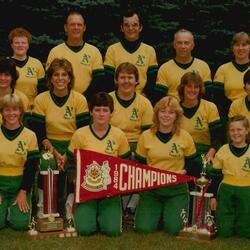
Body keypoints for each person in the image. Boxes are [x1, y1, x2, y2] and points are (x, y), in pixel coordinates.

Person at [31, 58, 90, 217]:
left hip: (74, 144)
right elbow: (38, 132)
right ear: (50, 78)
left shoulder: (79, 99)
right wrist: (55, 152)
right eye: (56, 74)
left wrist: (68, 154)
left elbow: (84, 131)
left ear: (70, 78)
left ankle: (70, 205)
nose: (60, 78)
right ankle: (44, 206)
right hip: (49, 144)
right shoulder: (41, 99)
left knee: (76, 164)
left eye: (64, 74)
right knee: (46, 160)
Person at [67, 92, 131, 236]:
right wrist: (74, 179)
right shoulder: (80, 134)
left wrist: (117, 184)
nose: (101, 114)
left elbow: (125, 164)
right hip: (87, 189)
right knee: (84, 230)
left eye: (105, 110)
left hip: (109, 192)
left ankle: (105, 214)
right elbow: (71, 163)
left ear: (111, 113)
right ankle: (88, 214)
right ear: (91, 112)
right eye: (97, 110)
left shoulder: (119, 135)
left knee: (112, 231)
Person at [134, 96, 199, 235]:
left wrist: (185, 172)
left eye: (171, 112)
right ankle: (156, 216)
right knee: (143, 229)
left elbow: (195, 165)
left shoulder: (184, 136)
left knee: (174, 230)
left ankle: (167, 216)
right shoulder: (146, 136)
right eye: (163, 111)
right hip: (152, 189)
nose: (166, 115)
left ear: (177, 116)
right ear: (157, 113)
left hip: (176, 190)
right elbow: (138, 164)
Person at [109, 62, 153, 215]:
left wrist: (137, 153)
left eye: (130, 77)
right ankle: (116, 204)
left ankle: (132, 204)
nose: (126, 81)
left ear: (136, 81)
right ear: (116, 80)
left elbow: (148, 134)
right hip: (112, 144)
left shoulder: (144, 103)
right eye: (122, 77)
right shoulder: (108, 99)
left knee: (141, 161)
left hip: (136, 144)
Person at [177, 71, 224, 210]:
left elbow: (218, 135)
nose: (192, 90)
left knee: (212, 170)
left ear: (200, 89)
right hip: (181, 152)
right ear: (182, 88)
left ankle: (209, 210)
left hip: (203, 151)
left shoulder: (209, 107)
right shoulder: (175, 108)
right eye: (189, 86)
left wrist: (211, 152)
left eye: (196, 87)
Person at [0, 94, 40, 231]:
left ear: (21, 112)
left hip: (20, 183)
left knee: (21, 225)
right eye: (7, 110)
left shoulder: (30, 135)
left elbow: (31, 167)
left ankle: (12, 210)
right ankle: (5, 209)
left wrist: (23, 191)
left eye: (15, 109)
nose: (11, 113)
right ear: (2, 112)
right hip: (0, 183)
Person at [207, 115, 250, 238]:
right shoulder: (223, 150)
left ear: (247, 130)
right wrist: (213, 196)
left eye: (239, 129)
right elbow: (215, 176)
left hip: (247, 190)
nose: (236, 133)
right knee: (224, 232)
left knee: (245, 232)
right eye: (232, 130)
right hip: (226, 189)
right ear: (229, 132)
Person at [46, 10, 104, 101]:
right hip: (61, 101)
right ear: (66, 27)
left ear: (84, 28)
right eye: (72, 24)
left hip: (87, 102)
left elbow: (98, 81)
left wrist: (82, 99)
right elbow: (49, 80)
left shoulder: (94, 51)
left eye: (79, 25)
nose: (76, 27)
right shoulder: (55, 52)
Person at [104, 9, 158, 100]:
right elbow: (108, 81)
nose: (130, 28)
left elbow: (152, 80)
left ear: (140, 27)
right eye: (126, 25)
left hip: (142, 99)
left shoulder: (149, 50)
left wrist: (144, 97)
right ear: (121, 28)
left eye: (135, 25)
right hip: (117, 99)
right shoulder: (112, 50)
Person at [154, 29, 212, 104]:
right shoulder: (164, 68)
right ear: (174, 45)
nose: (183, 46)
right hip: (173, 112)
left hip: (197, 110)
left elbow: (207, 96)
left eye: (186, 43)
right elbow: (160, 98)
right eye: (179, 43)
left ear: (192, 45)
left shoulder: (203, 66)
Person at [213, 32, 250, 125]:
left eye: (244, 45)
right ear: (232, 48)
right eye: (237, 45)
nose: (240, 48)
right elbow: (219, 99)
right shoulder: (223, 69)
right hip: (230, 116)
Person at [8, 27, 46, 108]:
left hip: (32, 110)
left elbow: (43, 91)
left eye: (23, 42)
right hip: (10, 110)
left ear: (28, 45)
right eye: (17, 43)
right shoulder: (5, 64)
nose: (20, 45)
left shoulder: (36, 63)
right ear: (11, 45)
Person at [0, 57, 29, 124]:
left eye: (7, 75)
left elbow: (24, 125)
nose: (2, 78)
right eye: (0, 74)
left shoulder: (22, 98)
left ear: (13, 77)